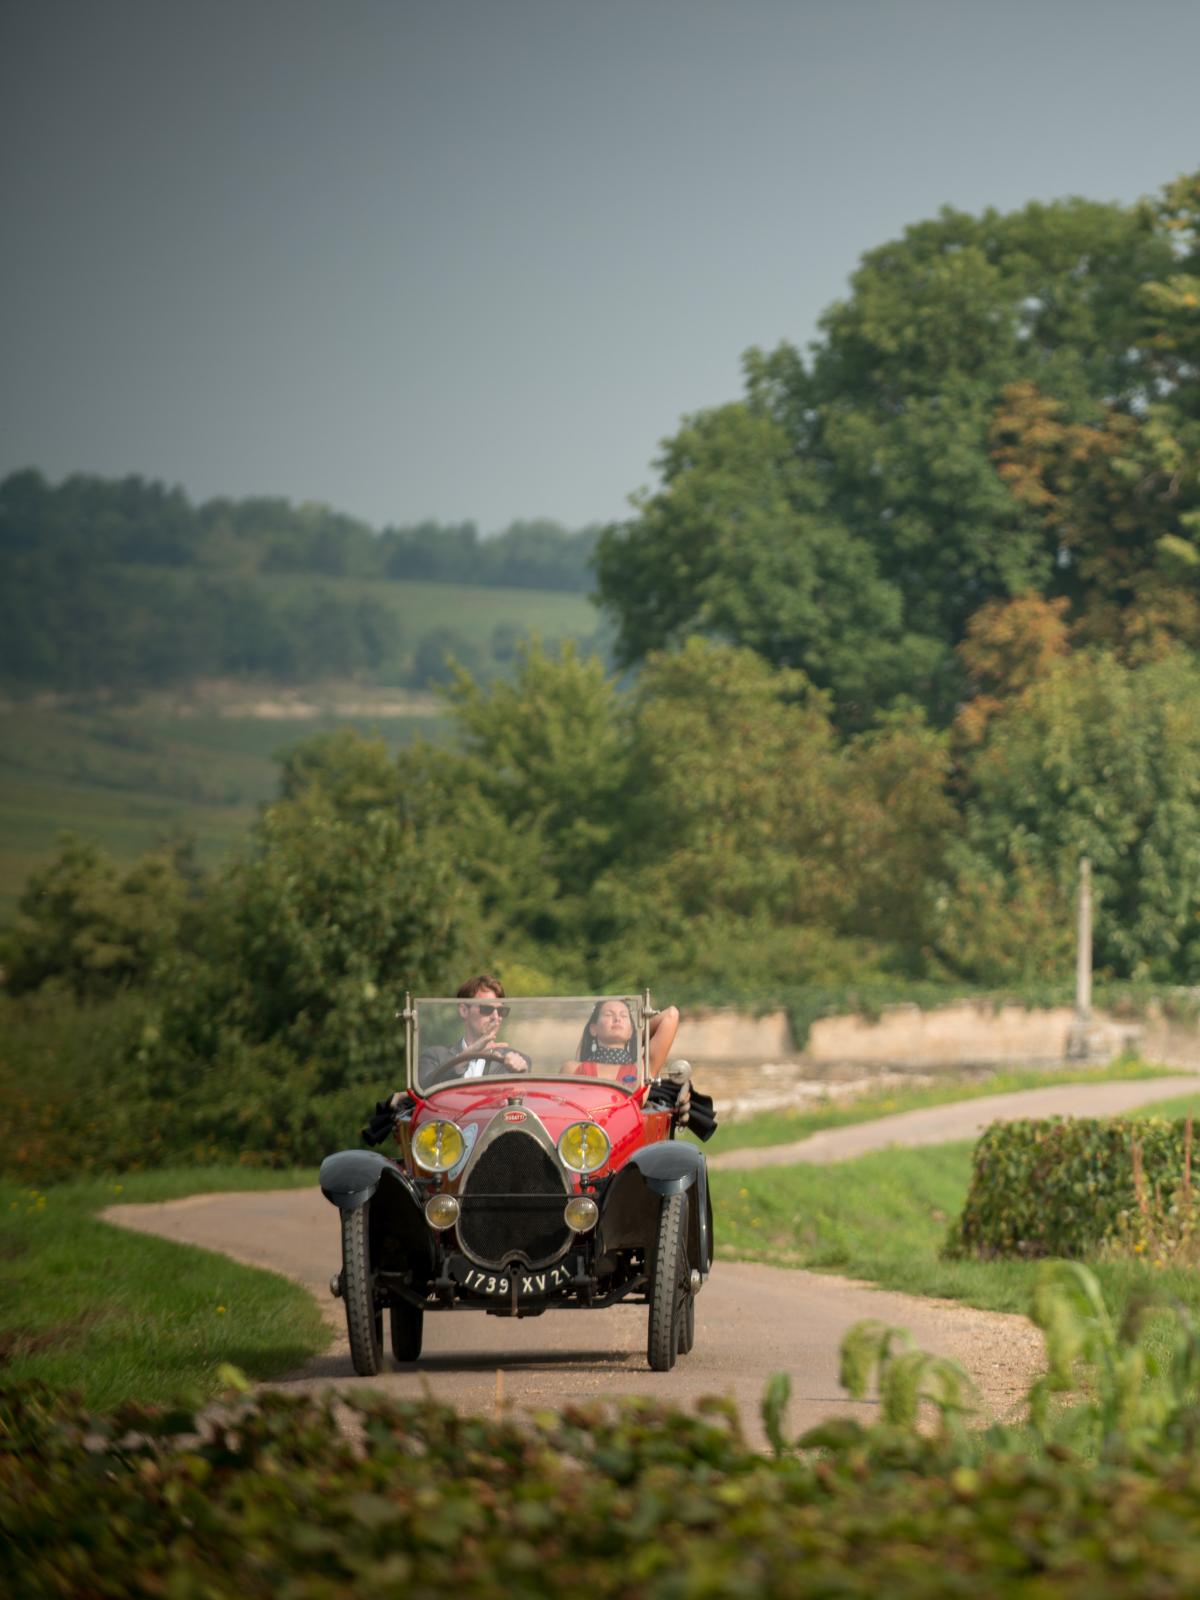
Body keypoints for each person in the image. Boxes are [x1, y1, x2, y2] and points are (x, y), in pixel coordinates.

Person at [418, 974, 530, 1087]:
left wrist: (522, 1074)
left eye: (501, 1011)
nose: (496, 1017)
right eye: (487, 1009)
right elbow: (423, 1091)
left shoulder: (516, 1062)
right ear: (464, 1010)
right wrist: (464, 1058)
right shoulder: (435, 1057)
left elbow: (524, 1098)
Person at [571, 997, 680, 1080]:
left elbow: (671, 1014)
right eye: (609, 1015)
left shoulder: (642, 1070)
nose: (617, 1019)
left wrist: (634, 1039)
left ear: (631, 1030)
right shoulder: (573, 1069)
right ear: (593, 1028)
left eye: (623, 1016)